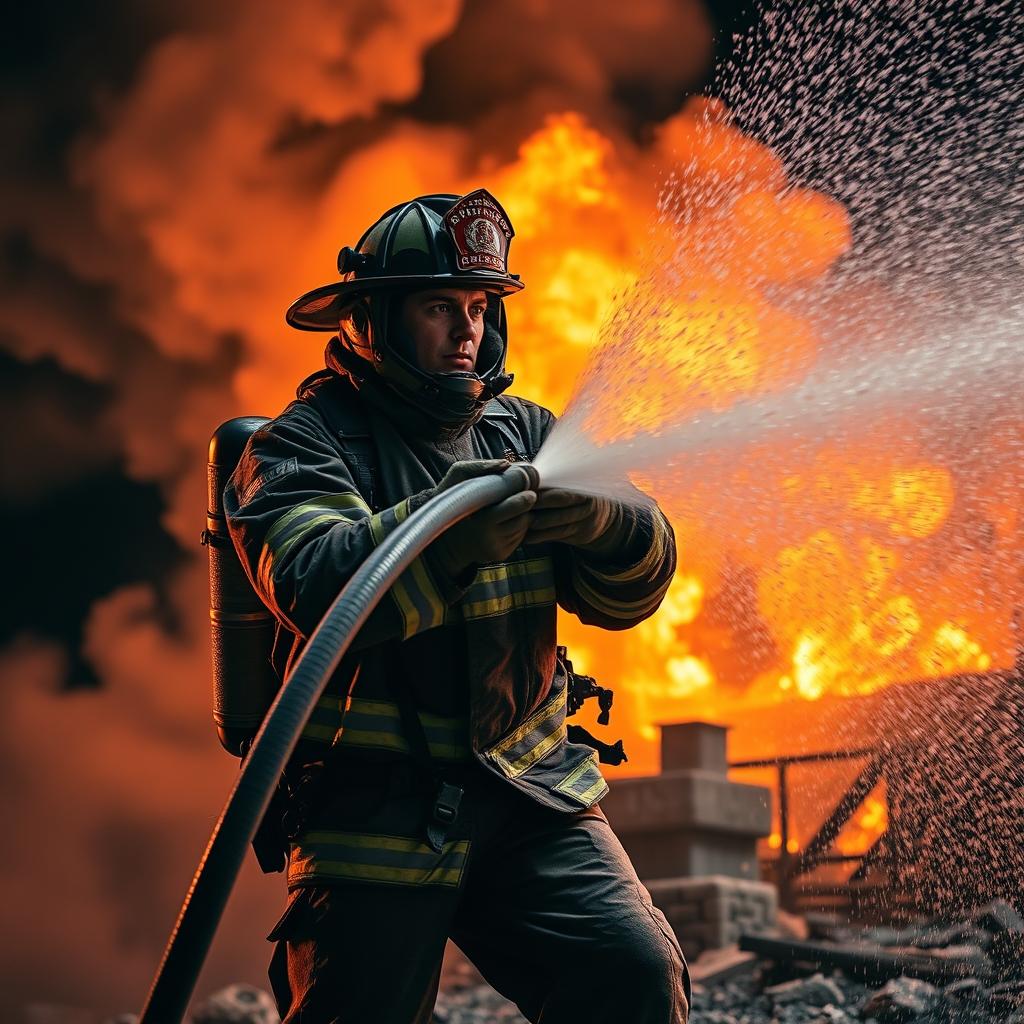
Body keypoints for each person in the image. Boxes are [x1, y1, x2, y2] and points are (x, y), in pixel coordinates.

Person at [224, 189, 689, 1023]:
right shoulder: (295, 446)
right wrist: (454, 533)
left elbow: (633, 596)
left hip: (528, 792)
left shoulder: (528, 434)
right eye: (441, 306)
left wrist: (612, 524)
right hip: (371, 811)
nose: (468, 329)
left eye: (479, 306)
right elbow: (313, 581)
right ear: (371, 320)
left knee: (632, 975)